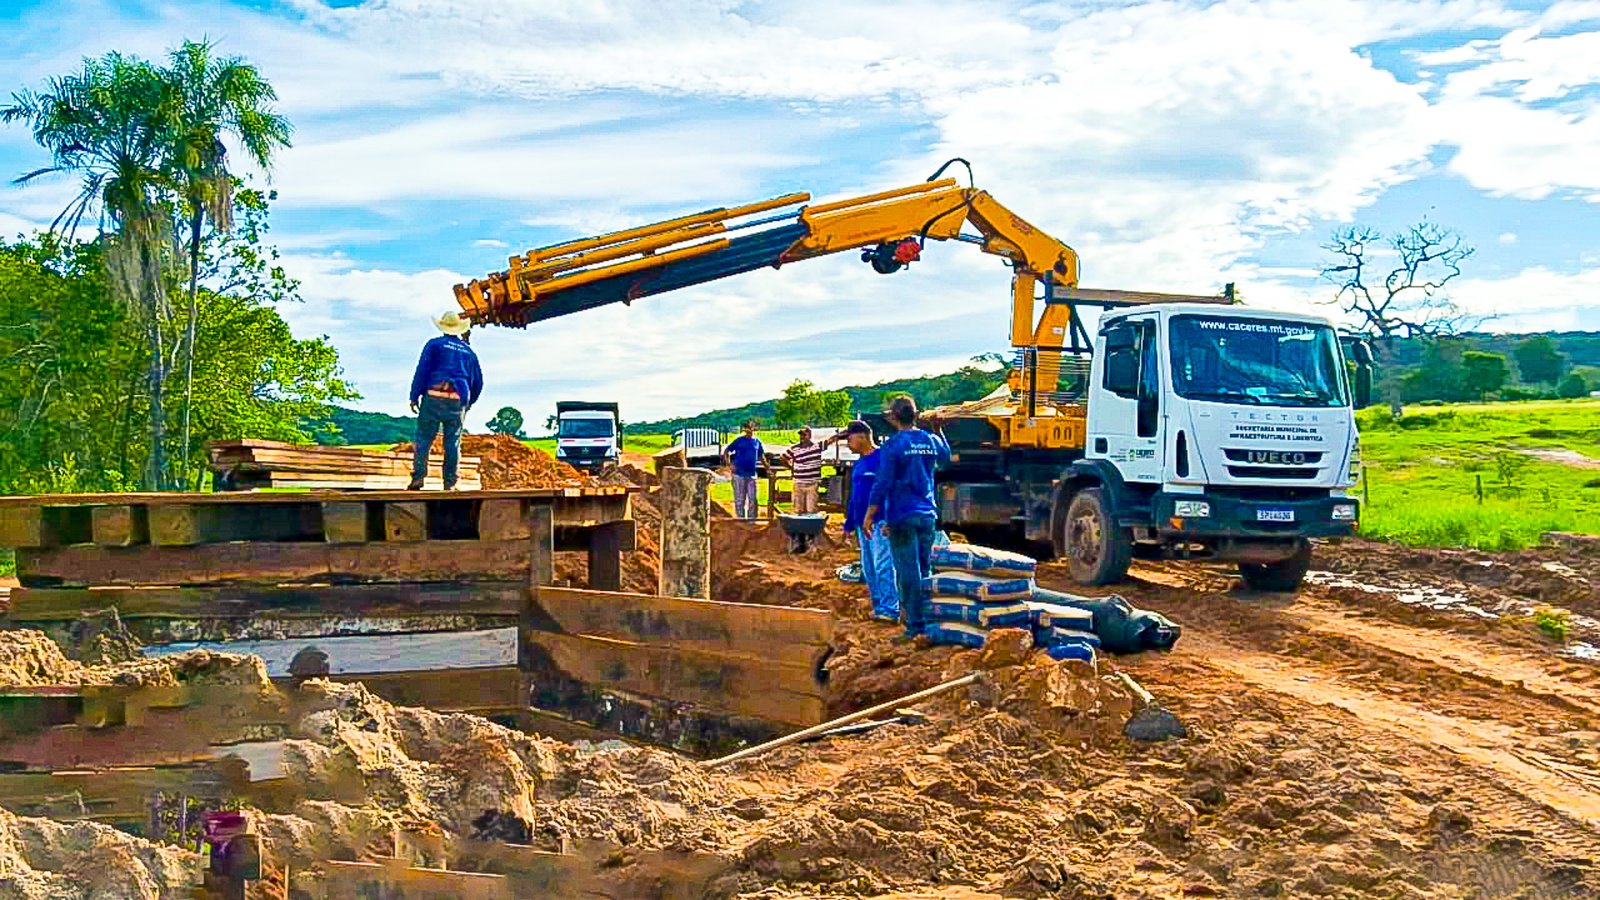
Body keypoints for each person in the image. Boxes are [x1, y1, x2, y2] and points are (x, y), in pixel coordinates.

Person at [864, 395, 950, 640]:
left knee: (907, 571)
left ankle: (915, 627)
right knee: (925, 568)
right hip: (927, 515)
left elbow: (883, 482)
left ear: (893, 417)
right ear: (916, 415)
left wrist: (870, 514)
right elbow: (945, 457)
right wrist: (938, 428)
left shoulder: (893, 446)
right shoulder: (931, 440)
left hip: (903, 515)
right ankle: (931, 621)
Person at [828, 420, 899, 621]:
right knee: (869, 568)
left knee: (883, 564)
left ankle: (890, 607)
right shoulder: (859, 464)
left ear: (862, 436)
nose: (848, 444)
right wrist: (849, 524)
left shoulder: (883, 458)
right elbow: (855, 497)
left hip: (880, 522)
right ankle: (879, 607)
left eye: (849, 439)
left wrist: (891, 518)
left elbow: (892, 490)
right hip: (862, 524)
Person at [408, 311, 484, 490]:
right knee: (453, 442)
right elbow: (478, 382)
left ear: (442, 327)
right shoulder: (469, 352)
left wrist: (414, 395)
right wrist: (469, 402)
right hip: (457, 401)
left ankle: (418, 478)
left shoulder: (434, 345)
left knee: (424, 439)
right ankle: (450, 484)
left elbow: (422, 370)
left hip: (434, 396)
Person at [722, 421, 764, 519]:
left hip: (752, 474)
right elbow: (727, 451)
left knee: (753, 498)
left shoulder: (757, 442)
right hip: (738, 473)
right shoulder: (739, 440)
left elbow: (761, 456)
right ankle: (740, 519)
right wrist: (729, 465)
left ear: (753, 428)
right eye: (745, 428)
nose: (747, 430)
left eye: (749, 428)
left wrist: (767, 468)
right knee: (740, 498)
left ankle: (751, 519)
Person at [783, 425, 823, 515]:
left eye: (804, 435)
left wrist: (842, 434)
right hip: (798, 483)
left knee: (811, 509)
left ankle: (810, 527)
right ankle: (798, 527)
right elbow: (783, 458)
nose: (802, 437)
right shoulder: (794, 448)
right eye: (801, 435)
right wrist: (791, 468)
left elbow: (830, 440)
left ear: (809, 436)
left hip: (812, 484)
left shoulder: (817, 447)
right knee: (797, 509)